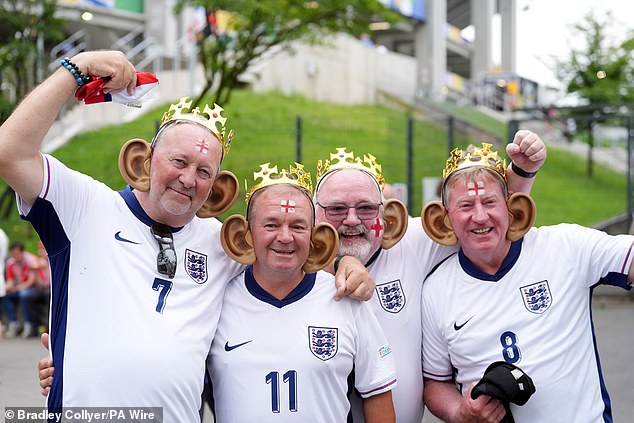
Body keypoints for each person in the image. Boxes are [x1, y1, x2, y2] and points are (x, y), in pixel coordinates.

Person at [0, 50, 371, 422]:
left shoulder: (223, 244)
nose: (189, 178)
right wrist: (78, 68)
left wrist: (347, 260)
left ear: (217, 188)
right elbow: (9, 153)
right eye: (178, 162)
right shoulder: (85, 207)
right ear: (142, 160)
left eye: (204, 171)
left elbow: (286, 251)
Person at [312, 135, 546, 423]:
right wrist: (338, 261)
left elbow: (481, 217)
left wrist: (521, 173)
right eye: (335, 209)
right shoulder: (289, 258)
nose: (351, 220)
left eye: (366, 208)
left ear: (388, 215)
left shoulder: (411, 244)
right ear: (312, 215)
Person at [420, 143, 634, 423]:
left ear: (510, 206)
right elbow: (436, 382)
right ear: (445, 217)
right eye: (466, 205)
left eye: (489, 202)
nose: (480, 216)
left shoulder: (565, 247)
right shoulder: (435, 290)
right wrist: (459, 412)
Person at [209, 162, 397, 422]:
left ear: (314, 236)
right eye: (271, 225)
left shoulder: (345, 298)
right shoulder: (217, 301)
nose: (285, 237)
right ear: (247, 234)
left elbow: (377, 393)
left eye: (298, 227)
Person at [2, 241, 39, 338]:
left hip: (33, 287)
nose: (15, 256)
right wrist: (5, 288)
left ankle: (28, 324)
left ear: (22, 252)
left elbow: (32, 281)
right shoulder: (10, 263)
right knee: (4, 296)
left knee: (24, 295)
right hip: (19, 288)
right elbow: (10, 279)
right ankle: (13, 323)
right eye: (13, 254)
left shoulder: (31, 260)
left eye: (17, 254)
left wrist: (17, 288)